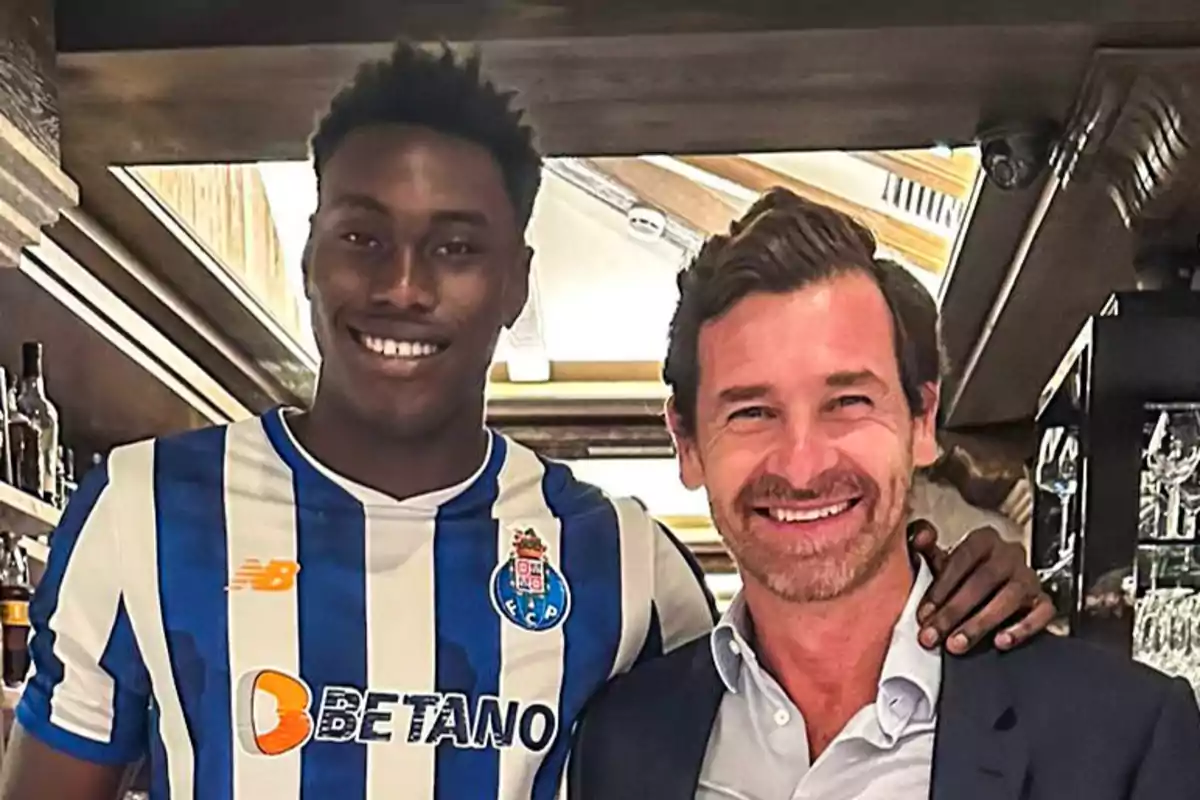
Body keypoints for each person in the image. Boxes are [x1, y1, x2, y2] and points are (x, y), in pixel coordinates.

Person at [0, 44, 1051, 800]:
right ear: (310, 254)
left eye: (456, 246)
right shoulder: (141, 511)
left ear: (515, 281)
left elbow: (803, 672)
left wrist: (950, 574)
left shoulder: (625, 563)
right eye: (363, 236)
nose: (403, 286)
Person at [568, 189, 1200, 800]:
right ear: (687, 443)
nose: (802, 464)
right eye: (752, 412)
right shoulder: (620, 744)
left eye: (848, 402)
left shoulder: (1123, 739)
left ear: (922, 419)